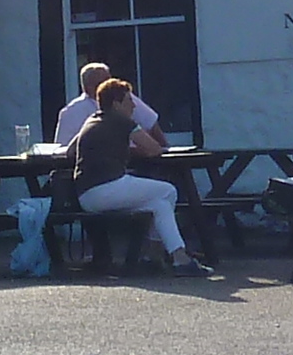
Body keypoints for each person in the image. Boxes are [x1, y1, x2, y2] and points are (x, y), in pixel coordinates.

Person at [67, 76, 216, 277]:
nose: (133, 107)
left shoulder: (92, 120)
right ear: (116, 103)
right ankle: (153, 255)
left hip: (87, 195)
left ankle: (179, 257)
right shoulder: (122, 121)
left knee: (159, 205)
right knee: (168, 190)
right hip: (107, 188)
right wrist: (133, 150)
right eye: (129, 101)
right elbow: (154, 149)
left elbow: (69, 151)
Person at [54, 60, 163, 148]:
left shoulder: (92, 121)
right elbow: (63, 150)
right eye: (104, 83)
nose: (110, 85)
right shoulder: (72, 112)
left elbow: (151, 123)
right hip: (111, 170)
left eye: (110, 80)